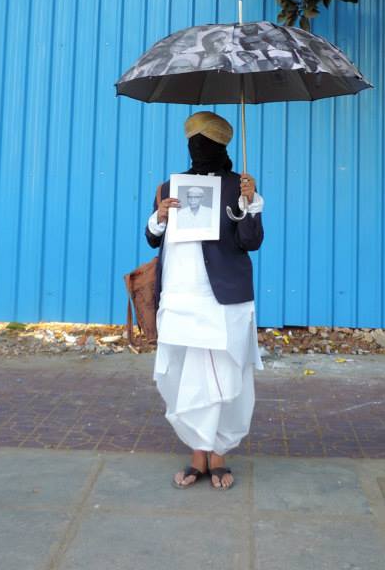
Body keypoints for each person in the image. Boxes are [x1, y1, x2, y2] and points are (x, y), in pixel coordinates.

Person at [145, 111, 264, 490]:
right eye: (193, 142)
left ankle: (218, 454)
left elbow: (250, 242)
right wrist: (159, 216)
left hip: (223, 299)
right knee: (183, 374)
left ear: (222, 145)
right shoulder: (170, 186)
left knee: (224, 373)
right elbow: (152, 237)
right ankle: (198, 453)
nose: (199, 148)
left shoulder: (238, 186)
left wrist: (251, 204)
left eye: (206, 142)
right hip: (179, 295)